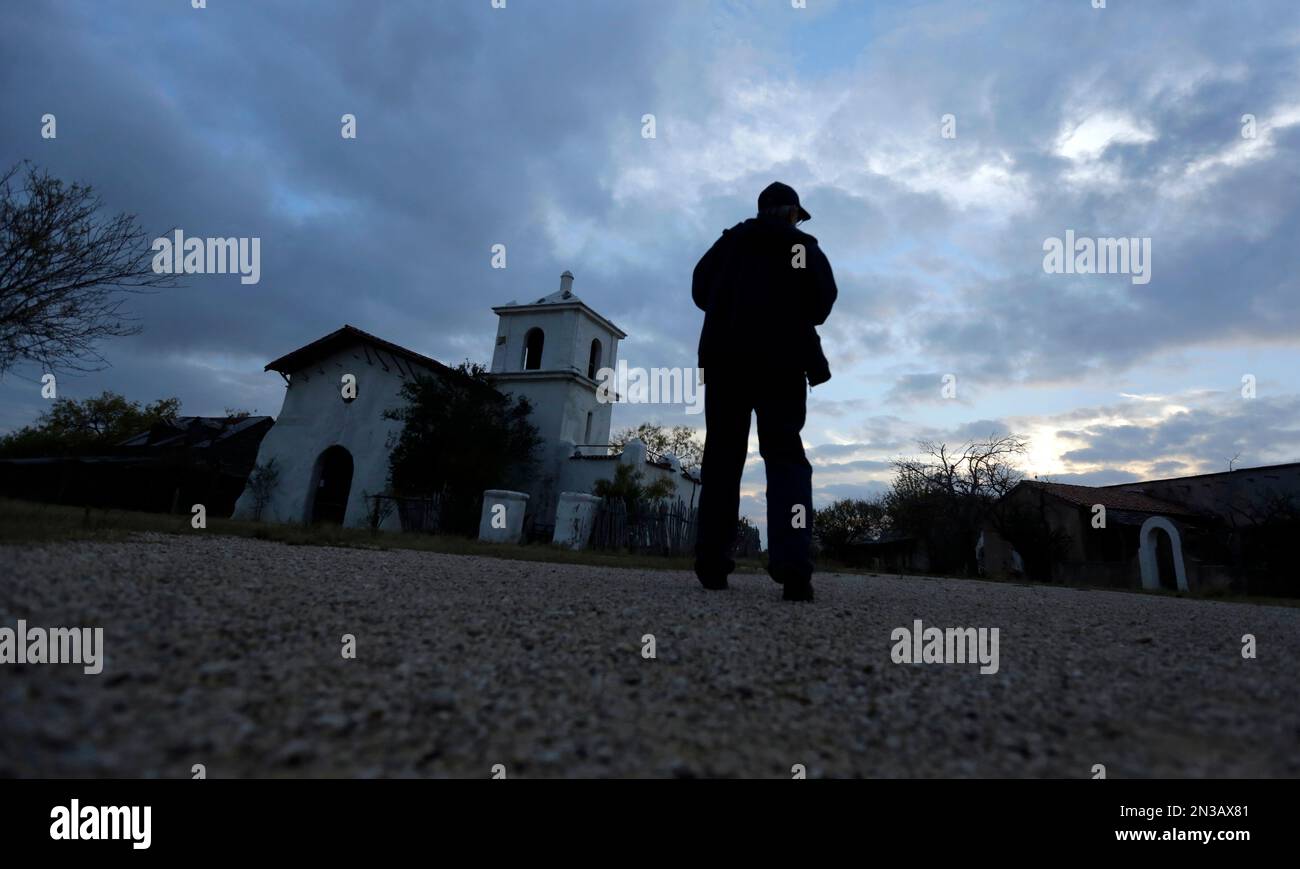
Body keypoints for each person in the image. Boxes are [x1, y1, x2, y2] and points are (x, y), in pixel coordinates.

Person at [691, 181, 838, 601]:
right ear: (791, 211)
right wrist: (786, 307)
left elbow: (700, 290)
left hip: (726, 362)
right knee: (786, 458)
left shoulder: (730, 244)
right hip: (782, 364)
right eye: (798, 214)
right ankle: (793, 568)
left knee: (722, 457)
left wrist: (736, 301)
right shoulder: (799, 248)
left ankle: (712, 565)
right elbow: (822, 303)